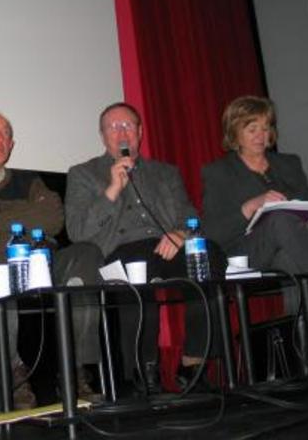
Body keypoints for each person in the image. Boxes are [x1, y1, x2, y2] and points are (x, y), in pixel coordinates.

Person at [0, 110, 105, 408]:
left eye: (5, 133)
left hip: (42, 264)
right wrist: (25, 233)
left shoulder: (30, 181)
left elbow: (54, 218)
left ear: (12, 144)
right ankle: (12, 372)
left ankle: (76, 369)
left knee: (86, 254)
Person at [65, 102, 226, 391]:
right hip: (120, 251)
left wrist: (181, 234)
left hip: (169, 245)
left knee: (210, 256)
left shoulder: (165, 173)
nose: (121, 132)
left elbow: (191, 217)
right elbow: (78, 232)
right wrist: (112, 190)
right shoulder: (83, 174)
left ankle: (193, 365)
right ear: (102, 136)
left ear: (140, 132)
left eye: (128, 125)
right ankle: (144, 370)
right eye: (113, 127)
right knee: (139, 267)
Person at [202, 95, 308, 332]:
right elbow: (212, 233)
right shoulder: (218, 172)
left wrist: (301, 228)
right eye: (252, 128)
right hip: (245, 255)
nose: (261, 135)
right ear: (235, 133)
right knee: (279, 219)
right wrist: (251, 206)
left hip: (288, 252)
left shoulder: (289, 164)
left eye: (265, 128)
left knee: (289, 255)